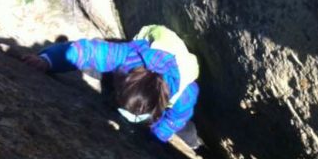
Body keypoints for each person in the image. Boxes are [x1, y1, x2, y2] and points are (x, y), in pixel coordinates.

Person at [18, 24, 200, 147]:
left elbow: (176, 117)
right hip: (148, 46)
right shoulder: (125, 55)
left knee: (184, 126)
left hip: (173, 66)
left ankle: (196, 145)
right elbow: (87, 52)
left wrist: (158, 136)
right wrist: (48, 61)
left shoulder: (183, 93)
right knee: (93, 66)